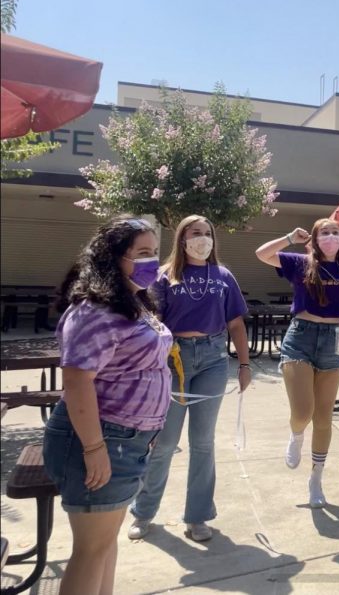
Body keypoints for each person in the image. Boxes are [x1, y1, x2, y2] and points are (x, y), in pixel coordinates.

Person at [43, 216, 172, 595]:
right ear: (112, 259)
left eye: (154, 253)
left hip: (127, 441)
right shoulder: (94, 311)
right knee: (91, 549)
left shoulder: (133, 302)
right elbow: (77, 380)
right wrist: (94, 448)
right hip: (102, 440)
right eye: (143, 253)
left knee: (104, 544)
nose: (152, 262)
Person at [129, 215, 252, 542]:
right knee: (165, 441)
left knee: (202, 442)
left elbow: (236, 324)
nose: (202, 238)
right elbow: (151, 320)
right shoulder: (165, 276)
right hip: (173, 360)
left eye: (207, 233)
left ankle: (197, 516)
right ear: (182, 239)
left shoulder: (224, 276)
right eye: (195, 233)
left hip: (212, 359)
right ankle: (143, 512)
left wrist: (244, 364)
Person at [255, 219, 339, 508]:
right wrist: (289, 237)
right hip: (301, 335)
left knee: (323, 418)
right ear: (314, 237)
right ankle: (296, 434)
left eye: (335, 232)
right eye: (324, 232)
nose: (331, 236)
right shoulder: (301, 262)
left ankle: (316, 480)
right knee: (303, 411)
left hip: (333, 340)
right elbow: (262, 254)